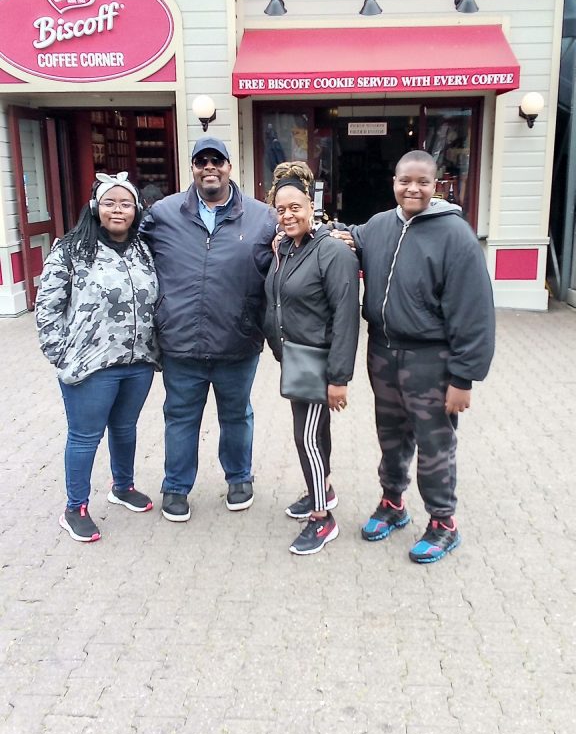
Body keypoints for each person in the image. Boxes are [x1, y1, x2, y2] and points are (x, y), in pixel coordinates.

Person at [334, 150, 495, 564]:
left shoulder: (455, 236)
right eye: (406, 180)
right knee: (391, 436)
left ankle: (443, 522)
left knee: (434, 442)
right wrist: (333, 235)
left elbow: (474, 313)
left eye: (422, 182)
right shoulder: (380, 225)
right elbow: (351, 235)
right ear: (394, 182)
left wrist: (463, 378)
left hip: (432, 360)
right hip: (384, 352)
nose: (413, 189)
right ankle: (393, 503)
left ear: (435, 184)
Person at [139, 136, 278, 522]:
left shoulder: (261, 216)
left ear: (230, 167)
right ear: (194, 168)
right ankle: (176, 487)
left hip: (238, 341)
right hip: (181, 343)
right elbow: (124, 244)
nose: (210, 167)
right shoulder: (164, 213)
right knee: (181, 417)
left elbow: (289, 258)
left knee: (237, 416)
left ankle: (239, 478)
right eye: (202, 161)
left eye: (218, 160)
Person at [35, 172, 160, 543]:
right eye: (109, 202)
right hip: (90, 366)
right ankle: (75, 507)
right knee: (85, 436)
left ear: (136, 210)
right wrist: (61, 353)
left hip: (137, 361)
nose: (117, 210)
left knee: (125, 429)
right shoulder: (71, 249)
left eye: (125, 203)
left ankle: (122, 486)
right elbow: (47, 307)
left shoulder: (144, 248)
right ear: (95, 208)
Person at [264, 163, 360, 555]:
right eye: (281, 209)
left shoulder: (333, 252)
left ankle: (322, 519)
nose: (288, 215)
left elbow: (346, 318)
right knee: (313, 435)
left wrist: (339, 378)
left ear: (312, 206)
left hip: (319, 362)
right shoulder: (285, 248)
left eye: (295, 207)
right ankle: (322, 490)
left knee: (306, 437)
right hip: (295, 358)